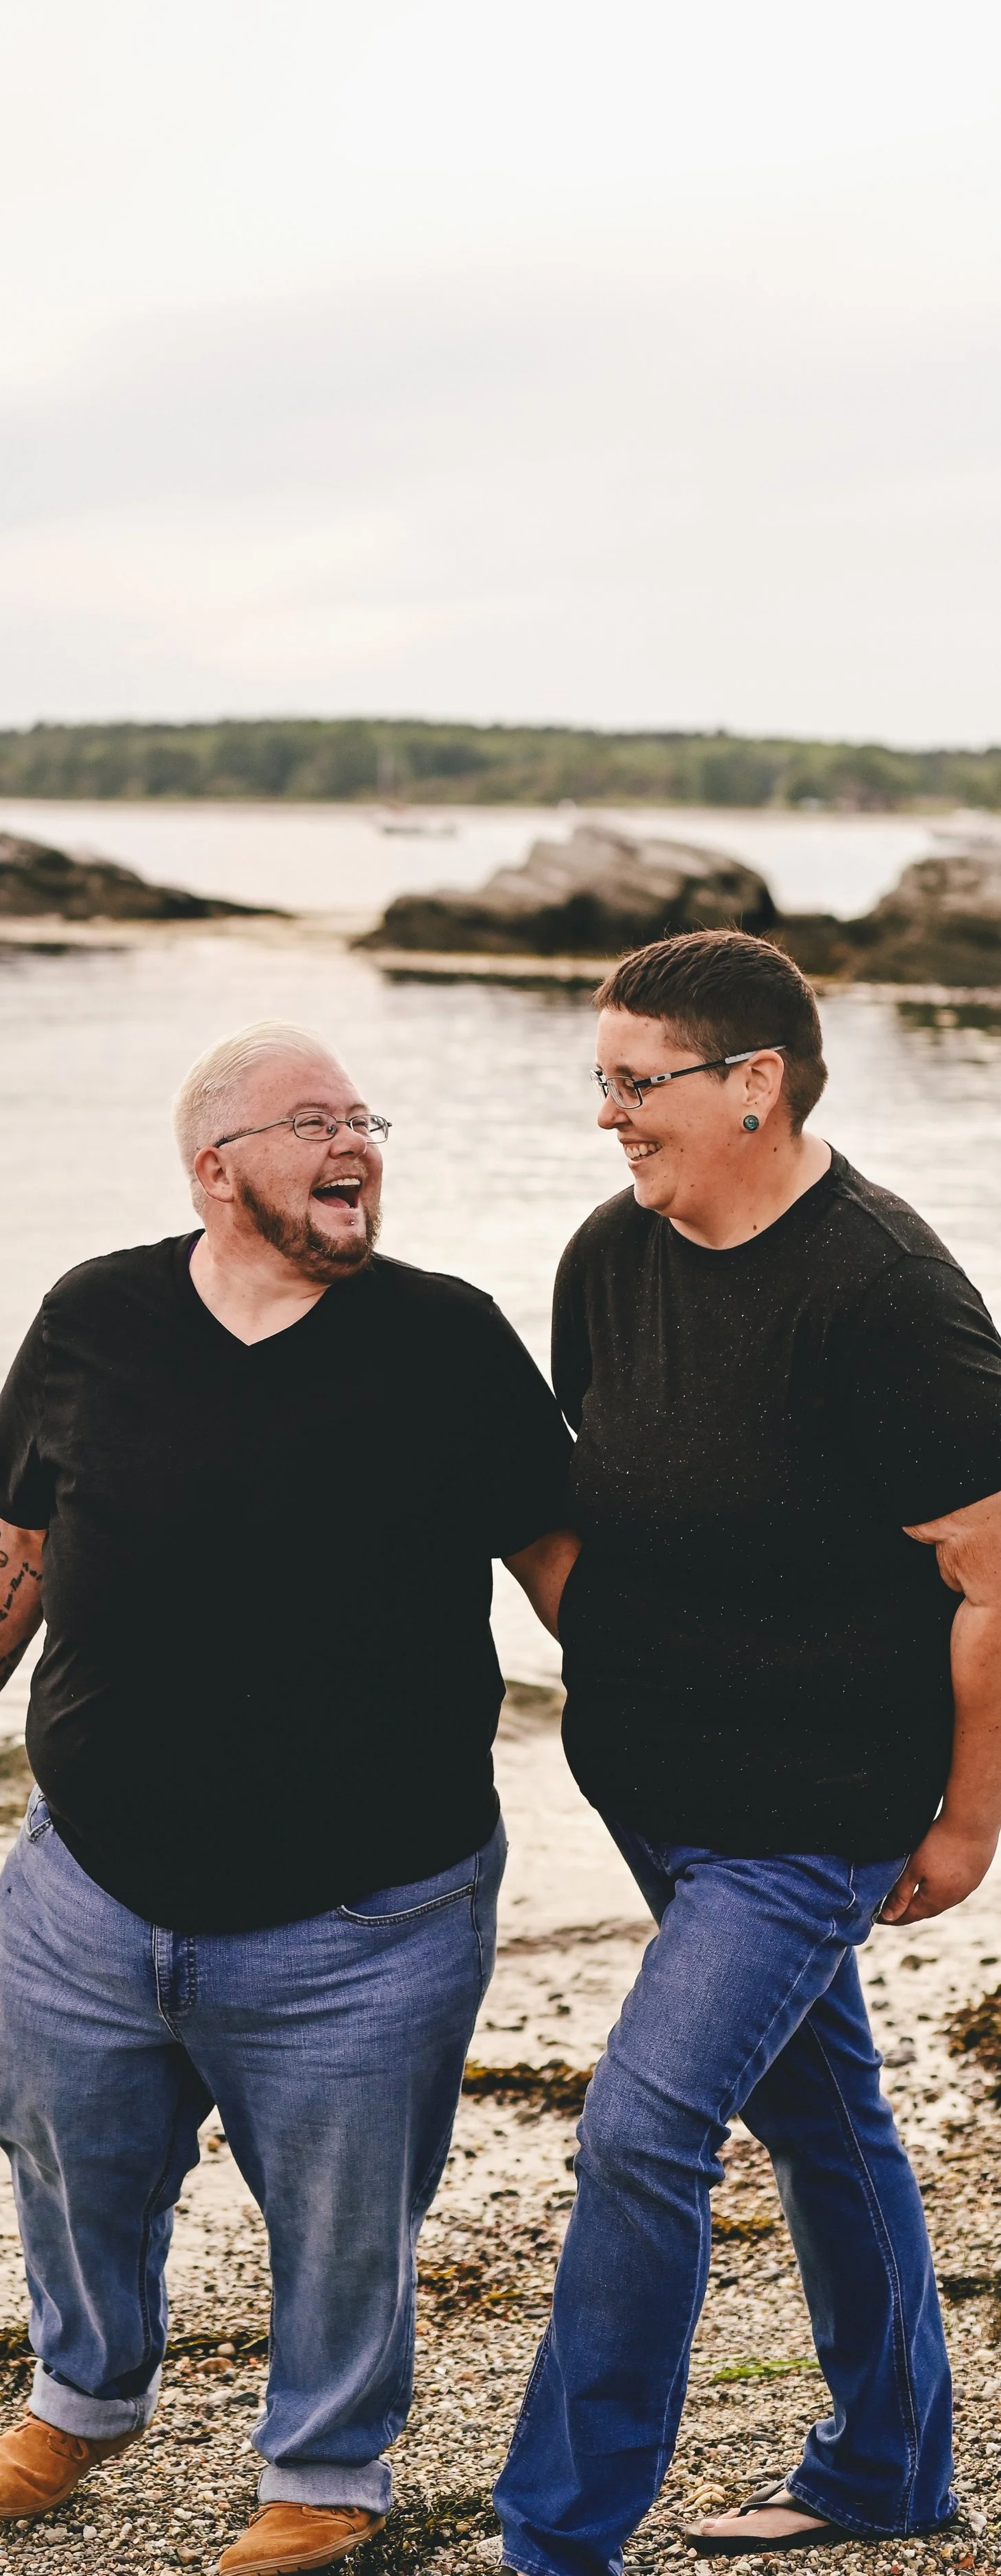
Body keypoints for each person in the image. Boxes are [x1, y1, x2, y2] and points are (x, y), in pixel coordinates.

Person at [0, 1020, 578, 2576]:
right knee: (59, 2143)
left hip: (366, 1904)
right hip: (87, 1878)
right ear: (216, 1169)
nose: (354, 1142)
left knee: (349, 2208)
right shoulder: (94, 1316)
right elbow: (15, 1524)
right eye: (311, 1121)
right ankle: (85, 2391)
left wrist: (714, 1718)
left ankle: (327, 2471)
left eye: (363, 1118)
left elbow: (566, 1576)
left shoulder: (448, 1340)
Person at [493, 930, 1001, 2576]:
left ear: (754, 1086)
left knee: (641, 2125)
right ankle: (886, 2466)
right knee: (828, 2120)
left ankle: (553, 2537)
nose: (609, 1117)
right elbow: (571, 1512)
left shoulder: (887, 1297)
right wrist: (625, 1669)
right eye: (602, 1082)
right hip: (653, 1792)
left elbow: (991, 1574)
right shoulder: (606, 1256)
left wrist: (967, 1817)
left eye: (637, 1084)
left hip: (811, 1807)